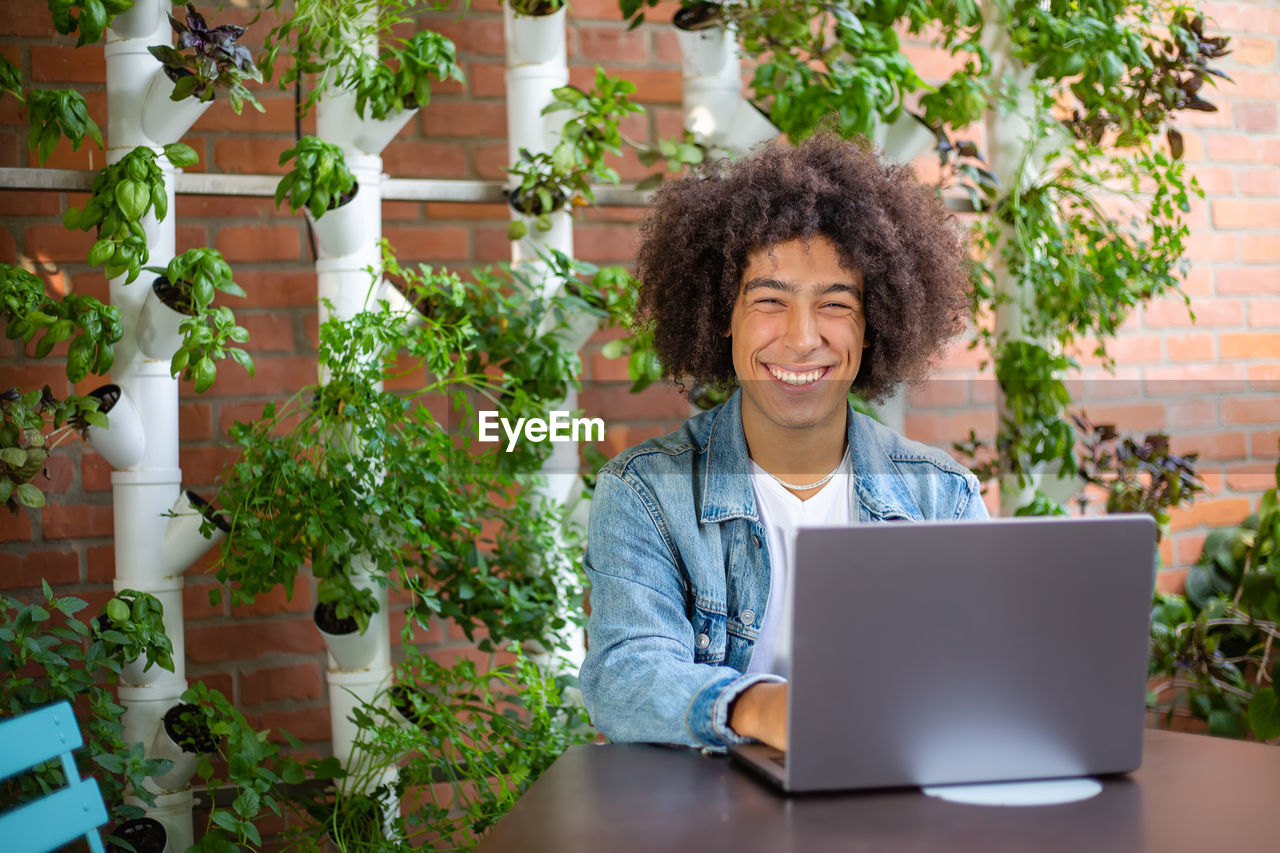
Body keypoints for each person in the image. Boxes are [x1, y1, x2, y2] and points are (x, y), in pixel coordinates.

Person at [578, 134, 988, 753]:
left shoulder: (943, 496)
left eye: (835, 304)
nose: (801, 339)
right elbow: (625, 676)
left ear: (874, 325)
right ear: (722, 314)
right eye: (770, 300)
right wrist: (761, 707)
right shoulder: (644, 493)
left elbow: (982, 675)